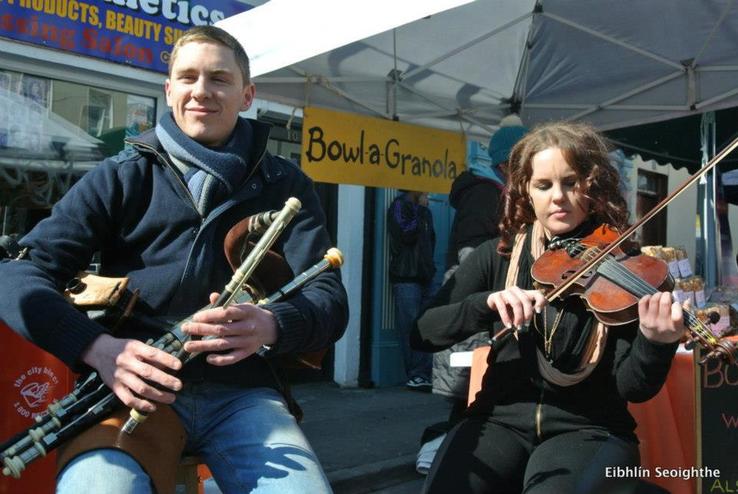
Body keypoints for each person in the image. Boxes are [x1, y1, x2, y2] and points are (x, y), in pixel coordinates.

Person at [0, 26, 348, 493]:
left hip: (245, 396)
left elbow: (329, 299)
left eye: (219, 79)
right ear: (169, 91)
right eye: (187, 78)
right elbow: (18, 275)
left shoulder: (287, 183)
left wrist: (273, 324)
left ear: (246, 95)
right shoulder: (121, 175)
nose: (201, 91)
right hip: (129, 392)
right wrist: (100, 349)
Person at [411, 121, 684, 493]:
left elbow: (632, 387)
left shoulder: (621, 265)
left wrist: (655, 343)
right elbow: (423, 332)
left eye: (570, 183)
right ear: (525, 190)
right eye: (544, 185)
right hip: (498, 420)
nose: (558, 196)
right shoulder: (498, 255)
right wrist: (485, 303)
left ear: (593, 186)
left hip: (589, 428)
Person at [435, 114, 529, 422]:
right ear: (507, 166)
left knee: (473, 396)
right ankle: (440, 454)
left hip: (483, 301)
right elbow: (473, 257)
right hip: (475, 302)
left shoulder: (495, 193)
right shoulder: (484, 195)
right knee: (469, 395)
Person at [387, 190, 436, 390]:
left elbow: (431, 242)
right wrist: (420, 209)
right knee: (410, 327)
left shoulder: (425, 211)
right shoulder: (400, 205)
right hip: (406, 276)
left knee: (427, 324)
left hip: (425, 275)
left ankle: (423, 373)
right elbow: (406, 234)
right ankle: (416, 374)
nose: (427, 192)